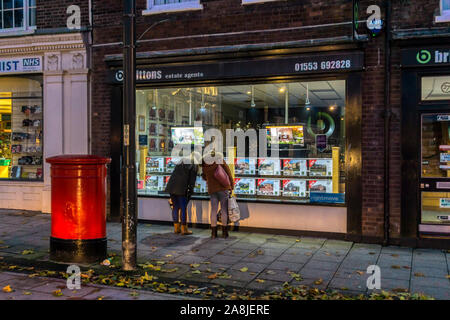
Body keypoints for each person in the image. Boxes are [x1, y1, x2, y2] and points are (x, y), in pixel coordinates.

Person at [165, 152, 200, 235]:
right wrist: (191, 190)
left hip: (172, 186)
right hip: (182, 188)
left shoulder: (181, 161)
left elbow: (175, 175)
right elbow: (192, 181)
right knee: (183, 208)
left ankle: (176, 228)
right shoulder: (194, 165)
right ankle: (184, 229)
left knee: (175, 207)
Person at [202, 152, 234, 239]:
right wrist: (232, 186)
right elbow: (228, 173)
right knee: (224, 210)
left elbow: (204, 177)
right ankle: (224, 233)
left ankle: (213, 233)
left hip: (212, 190)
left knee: (213, 210)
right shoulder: (220, 161)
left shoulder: (205, 165)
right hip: (223, 189)